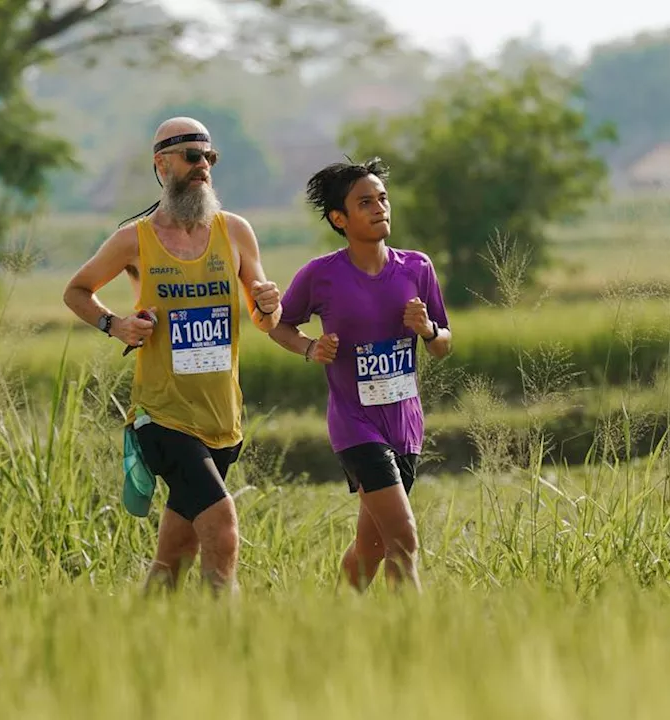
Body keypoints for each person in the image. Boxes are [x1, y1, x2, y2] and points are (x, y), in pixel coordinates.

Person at [62, 117, 282, 595]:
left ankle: (145, 637)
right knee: (222, 528)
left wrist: (269, 305)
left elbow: (263, 317)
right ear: (162, 165)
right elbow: (76, 291)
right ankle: (228, 645)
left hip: (223, 418)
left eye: (209, 158)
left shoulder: (236, 232)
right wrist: (115, 324)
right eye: (192, 156)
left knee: (174, 555)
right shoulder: (133, 240)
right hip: (162, 417)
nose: (203, 166)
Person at [267, 157, 452, 593]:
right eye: (365, 202)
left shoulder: (417, 268)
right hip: (356, 426)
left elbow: (443, 345)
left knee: (370, 547)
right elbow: (278, 323)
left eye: (382, 199)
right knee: (403, 538)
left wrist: (426, 329)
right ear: (339, 218)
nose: (379, 208)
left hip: (405, 425)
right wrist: (311, 348)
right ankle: (415, 639)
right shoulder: (321, 274)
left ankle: (337, 612)